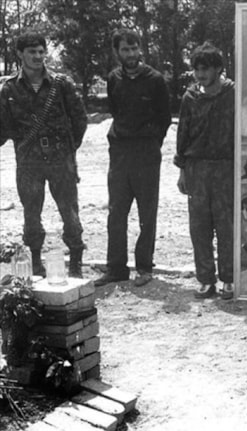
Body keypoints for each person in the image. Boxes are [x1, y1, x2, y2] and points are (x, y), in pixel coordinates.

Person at [0, 32, 88, 278]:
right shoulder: (9, 89)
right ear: (20, 54)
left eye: (41, 51)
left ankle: (76, 263)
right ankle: (36, 264)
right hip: (29, 161)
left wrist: (68, 149)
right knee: (31, 214)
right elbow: (3, 127)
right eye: (32, 52)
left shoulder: (62, 84)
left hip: (61, 160)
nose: (38, 56)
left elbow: (79, 120)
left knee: (70, 213)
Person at [94, 29, 171, 287]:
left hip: (146, 153)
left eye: (134, 48)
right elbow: (115, 110)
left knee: (147, 213)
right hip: (119, 153)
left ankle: (144, 267)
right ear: (117, 52)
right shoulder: (113, 78)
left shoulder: (155, 80)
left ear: (140, 49)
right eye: (125, 49)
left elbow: (164, 118)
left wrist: (150, 142)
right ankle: (116, 268)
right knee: (116, 212)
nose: (130, 54)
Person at [174, 42, 235, 300]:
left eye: (206, 69)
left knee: (226, 225)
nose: (201, 74)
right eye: (197, 69)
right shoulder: (190, 98)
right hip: (197, 168)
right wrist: (182, 170)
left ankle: (229, 279)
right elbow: (183, 133)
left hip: (225, 167)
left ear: (218, 69)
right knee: (199, 226)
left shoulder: (232, 93)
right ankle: (206, 279)